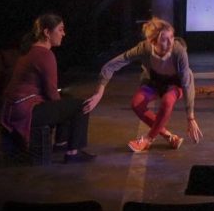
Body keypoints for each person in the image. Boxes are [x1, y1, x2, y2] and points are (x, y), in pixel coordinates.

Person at [84, 17, 203, 152]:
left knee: (167, 101)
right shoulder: (144, 48)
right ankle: (169, 136)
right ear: (152, 42)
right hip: (154, 81)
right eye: (164, 39)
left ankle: (147, 139)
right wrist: (99, 92)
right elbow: (112, 65)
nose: (171, 42)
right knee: (136, 104)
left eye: (172, 37)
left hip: (174, 84)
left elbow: (187, 82)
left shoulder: (178, 51)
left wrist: (190, 117)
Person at [0, 14, 95, 163]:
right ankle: (73, 153)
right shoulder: (44, 54)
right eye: (60, 30)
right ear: (47, 32)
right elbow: (51, 93)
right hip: (26, 111)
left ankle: (61, 143)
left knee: (67, 100)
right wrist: (64, 110)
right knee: (81, 105)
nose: (64, 34)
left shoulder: (31, 51)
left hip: (15, 108)